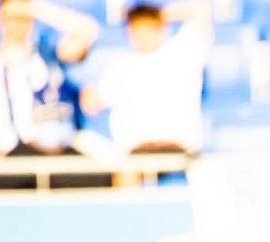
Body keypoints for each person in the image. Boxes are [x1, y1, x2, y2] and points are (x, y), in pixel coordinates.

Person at [0, 0, 106, 189]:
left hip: (57, 153)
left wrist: (34, 8)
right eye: (10, 17)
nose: (16, 24)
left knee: (99, 178)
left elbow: (87, 31)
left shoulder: (47, 55)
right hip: (14, 160)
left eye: (22, 18)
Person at [79, 0, 210, 183]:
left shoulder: (183, 54)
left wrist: (158, 15)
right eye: (138, 29)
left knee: (206, 175)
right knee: (123, 175)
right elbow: (92, 105)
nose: (143, 34)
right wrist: (89, 97)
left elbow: (200, 9)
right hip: (136, 153)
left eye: (149, 27)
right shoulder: (119, 67)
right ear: (129, 32)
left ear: (162, 28)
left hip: (181, 148)